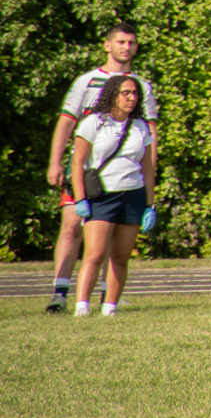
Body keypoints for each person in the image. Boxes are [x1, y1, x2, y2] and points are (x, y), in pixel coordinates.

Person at [44, 21, 158, 314]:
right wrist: (56, 161)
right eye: (120, 42)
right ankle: (61, 291)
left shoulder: (142, 86)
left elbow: (150, 136)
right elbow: (68, 121)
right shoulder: (87, 80)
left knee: (116, 235)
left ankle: (109, 295)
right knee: (72, 225)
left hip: (125, 177)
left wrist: (149, 180)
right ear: (108, 45)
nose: (126, 47)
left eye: (131, 42)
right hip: (87, 171)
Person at [67, 74, 155, 318]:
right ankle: (82, 305)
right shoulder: (94, 122)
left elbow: (147, 168)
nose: (131, 98)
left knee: (121, 255)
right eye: (125, 93)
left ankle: (110, 306)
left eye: (135, 94)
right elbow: (78, 163)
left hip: (133, 194)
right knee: (94, 253)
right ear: (112, 94)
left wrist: (150, 204)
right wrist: (80, 198)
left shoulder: (140, 126)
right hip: (102, 194)